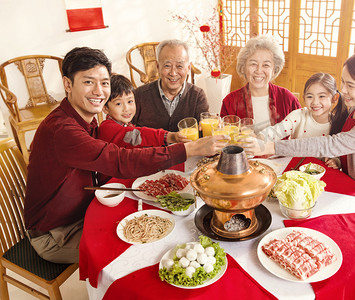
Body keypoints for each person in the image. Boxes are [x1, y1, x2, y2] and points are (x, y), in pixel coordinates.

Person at [24, 47, 227, 264]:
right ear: (67, 84)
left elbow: (132, 135)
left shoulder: (86, 119)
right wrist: (190, 149)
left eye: (104, 83)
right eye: (88, 82)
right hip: (56, 234)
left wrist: (169, 137)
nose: (98, 91)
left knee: (152, 222)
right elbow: (119, 160)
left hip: (82, 212)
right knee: (144, 244)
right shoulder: (63, 129)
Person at [242, 49, 355, 259]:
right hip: (351, 192)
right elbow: (349, 148)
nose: (344, 91)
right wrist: (338, 159)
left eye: (351, 86)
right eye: (344, 82)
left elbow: (332, 143)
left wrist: (271, 147)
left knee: (331, 249)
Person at [220, 35, 300, 133]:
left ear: (274, 70)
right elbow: (225, 140)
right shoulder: (230, 102)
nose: (259, 71)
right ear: (244, 67)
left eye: (266, 65)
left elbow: (300, 137)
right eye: (253, 64)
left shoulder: (288, 99)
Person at [132, 39, 209, 132]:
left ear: (188, 68)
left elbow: (205, 131)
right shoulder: (139, 95)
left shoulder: (197, 95)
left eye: (179, 66)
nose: (173, 73)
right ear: (157, 67)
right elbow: (126, 130)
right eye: (167, 66)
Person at [98, 74, 188, 148]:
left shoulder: (127, 125)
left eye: (130, 101)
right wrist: (169, 136)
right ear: (105, 108)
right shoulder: (106, 128)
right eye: (118, 104)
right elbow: (138, 135)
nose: (126, 108)